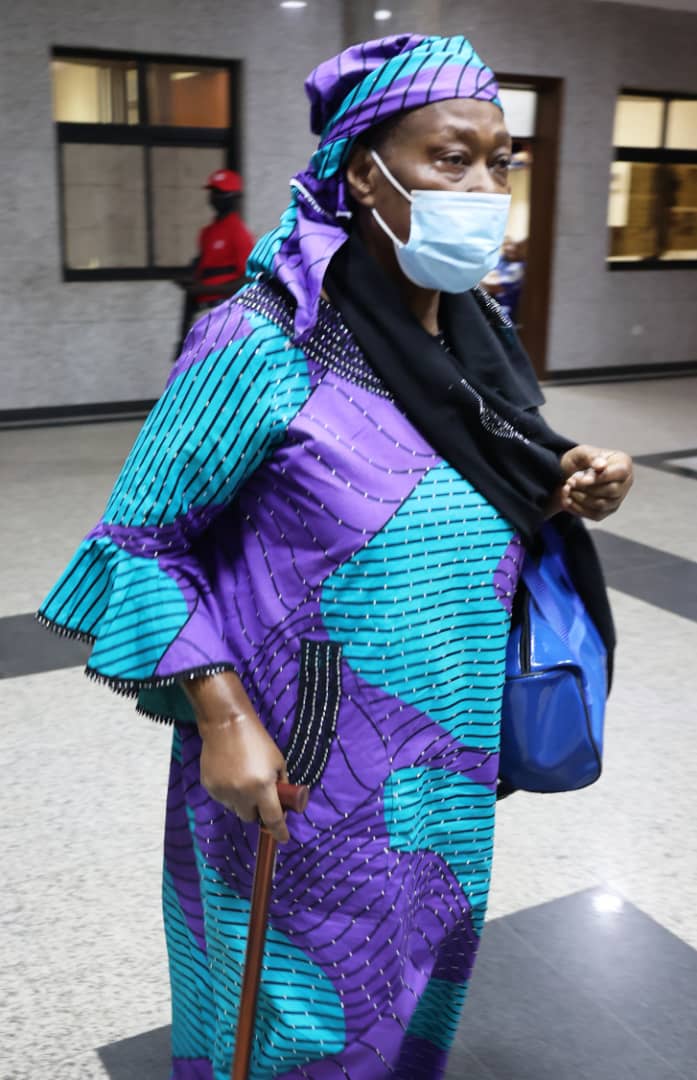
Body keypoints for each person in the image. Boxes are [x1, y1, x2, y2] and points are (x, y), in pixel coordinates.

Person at [39, 34, 634, 1080]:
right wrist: (222, 717)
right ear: (364, 173)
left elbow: (477, 474)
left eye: (498, 163)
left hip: (446, 756)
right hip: (304, 766)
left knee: (423, 970)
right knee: (301, 1015)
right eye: (450, 158)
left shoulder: (471, 338)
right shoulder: (262, 340)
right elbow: (137, 547)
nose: (482, 189)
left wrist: (565, 482)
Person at [173, 167, 254, 359]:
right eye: (212, 192)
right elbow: (201, 273)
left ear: (233, 197)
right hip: (202, 316)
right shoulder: (207, 233)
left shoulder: (239, 233)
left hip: (226, 317)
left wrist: (205, 289)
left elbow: (248, 280)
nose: (214, 197)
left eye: (219, 192)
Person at [481, 235, 526, 322]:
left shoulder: (522, 267)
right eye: (507, 244)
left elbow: (493, 286)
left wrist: (489, 277)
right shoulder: (500, 259)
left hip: (507, 315)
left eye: (518, 246)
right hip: (490, 310)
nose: (510, 248)